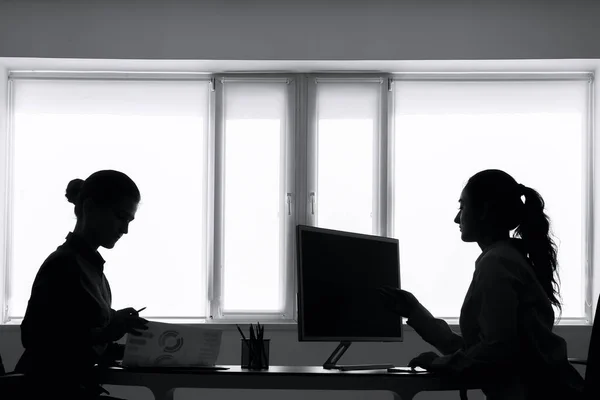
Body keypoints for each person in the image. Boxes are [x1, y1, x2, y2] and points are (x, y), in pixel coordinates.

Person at [379, 169, 585, 400]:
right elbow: (478, 349)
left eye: (462, 207)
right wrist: (415, 313)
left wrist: (438, 363)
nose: (457, 218)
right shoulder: (505, 258)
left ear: (485, 210)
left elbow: (495, 351)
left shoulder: (498, 263)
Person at [14, 170, 149, 399]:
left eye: (129, 221)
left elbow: (80, 339)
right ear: (89, 208)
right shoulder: (63, 264)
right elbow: (35, 338)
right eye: (120, 217)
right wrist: (107, 332)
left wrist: (140, 351)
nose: (124, 230)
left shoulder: (91, 269)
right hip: (47, 389)